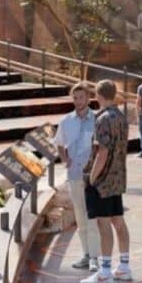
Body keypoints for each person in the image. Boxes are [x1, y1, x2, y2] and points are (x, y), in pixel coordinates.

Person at [80, 79, 132, 283]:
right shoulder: (121, 117)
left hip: (102, 181)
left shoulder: (102, 119)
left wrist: (92, 177)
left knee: (103, 225)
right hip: (118, 177)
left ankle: (105, 272)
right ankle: (124, 267)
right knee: (118, 221)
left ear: (99, 96)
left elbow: (103, 151)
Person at [53, 83, 100, 273]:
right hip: (74, 175)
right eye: (75, 98)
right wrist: (66, 160)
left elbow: (102, 146)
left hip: (93, 176)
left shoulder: (97, 119)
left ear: (88, 98)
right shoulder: (66, 121)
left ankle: (95, 257)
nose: (78, 101)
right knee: (80, 217)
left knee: (93, 217)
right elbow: (58, 144)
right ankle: (86, 255)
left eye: (81, 97)